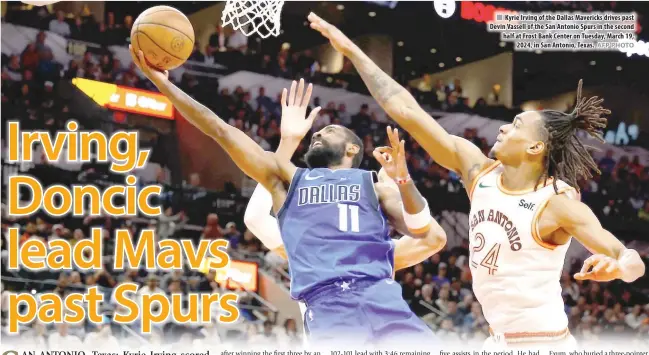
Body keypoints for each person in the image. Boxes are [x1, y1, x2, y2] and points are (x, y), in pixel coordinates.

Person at [308, 12, 646, 348]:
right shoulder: (478, 172)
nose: (502, 127)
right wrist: (352, 51)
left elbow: (630, 260)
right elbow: (407, 112)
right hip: (498, 341)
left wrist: (618, 267)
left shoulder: (556, 204)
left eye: (515, 125)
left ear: (535, 146)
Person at [130, 47, 442, 346]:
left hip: (383, 301)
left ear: (352, 149)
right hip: (331, 310)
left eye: (328, 130)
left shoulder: (374, 186)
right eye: (317, 132)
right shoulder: (287, 181)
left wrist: (402, 181)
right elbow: (220, 130)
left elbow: (424, 232)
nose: (317, 133)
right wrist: (162, 84)